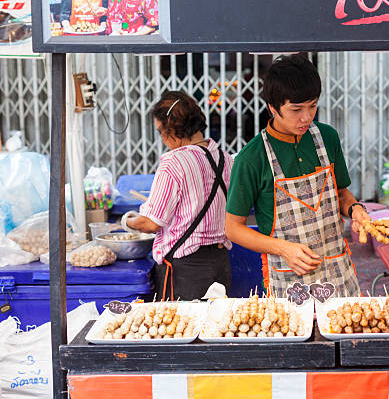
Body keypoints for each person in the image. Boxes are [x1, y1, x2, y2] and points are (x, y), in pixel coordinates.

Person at [225, 55, 369, 297]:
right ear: (273, 107)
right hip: (288, 279)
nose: (306, 117)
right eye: (296, 109)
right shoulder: (252, 158)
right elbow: (233, 228)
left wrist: (356, 210)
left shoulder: (327, 137)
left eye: (312, 106)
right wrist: (284, 249)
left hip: (338, 271)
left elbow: (341, 193)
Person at [124, 91, 233, 300]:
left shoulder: (173, 162)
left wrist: (127, 222)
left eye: (160, 131)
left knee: (182, 329)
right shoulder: (226, 159)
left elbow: (151, 223)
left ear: (171, 129)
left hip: (185, 271)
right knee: (215, 328)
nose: (163, 139)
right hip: (221, 263)